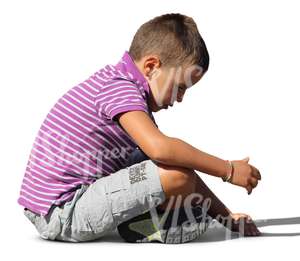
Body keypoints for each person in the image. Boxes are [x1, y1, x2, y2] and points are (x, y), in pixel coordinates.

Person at [18, 13, 262, 243]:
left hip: (60, 206)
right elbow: (161, 149)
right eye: (179, 87)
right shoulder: (119, 88)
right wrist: (227, 170)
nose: (179, 99)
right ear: (151, 66)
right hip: (63, 211)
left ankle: (143, 220)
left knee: (178, 175)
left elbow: (173, 159)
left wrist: (225, 217)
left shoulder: (122, 90)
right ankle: (145, 224)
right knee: (178, 177)